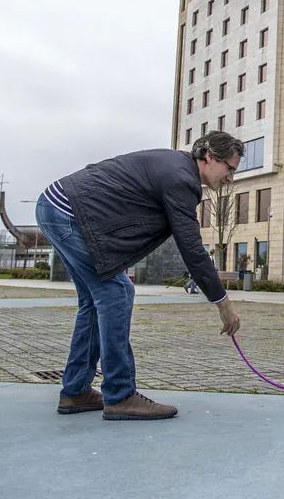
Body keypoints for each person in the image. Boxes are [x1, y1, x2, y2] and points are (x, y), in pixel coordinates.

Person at [37, 131, 243, 421]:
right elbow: (191, 246)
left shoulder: (176, 168)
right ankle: (120, 396)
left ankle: (75, 391)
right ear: (210, 157)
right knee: (117, 292)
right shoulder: (181, 179)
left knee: (95, 302)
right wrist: (223, 301)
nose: (231, 178)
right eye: (230, 169)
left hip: (56, 206)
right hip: (67, 211)